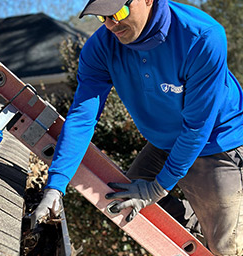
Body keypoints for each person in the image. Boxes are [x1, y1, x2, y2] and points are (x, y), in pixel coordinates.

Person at [31, 0, 243, 255]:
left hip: (219, 140)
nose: (111, 24)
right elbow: (82, 118)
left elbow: (197, 127)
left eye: (118, 12)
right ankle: (201, 220)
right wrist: (56, 185)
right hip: (167, 141)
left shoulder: (201, 37)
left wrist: (156, 188)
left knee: (225, 247)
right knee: (120, 196)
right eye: (102, 17)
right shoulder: (101, 48)